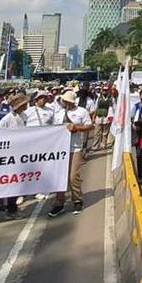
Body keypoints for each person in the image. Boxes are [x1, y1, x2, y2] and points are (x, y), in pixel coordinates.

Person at [48, 90, 94, 218]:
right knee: (59, 177)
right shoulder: (57, 113)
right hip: (60, 149)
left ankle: (77, 199)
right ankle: (59, 202)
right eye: (64, 101)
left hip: (75, 148)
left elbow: (90, 126)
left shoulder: (81, 112)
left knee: (73, 176)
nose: (66, 103)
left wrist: (77, 128)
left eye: (68, 101)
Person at [0, 93, 29, 228]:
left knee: (15, 185)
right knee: (0, 186)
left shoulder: (24, 117)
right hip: (6, 157)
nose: (27, 105)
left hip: (19, 156)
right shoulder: (6, 119)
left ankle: (12, 210)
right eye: (24, 103)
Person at [92, 85, 114, 151]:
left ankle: (103, 145)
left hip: (106, 117)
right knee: (97, 133)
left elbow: (113, 108)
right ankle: (95, 146)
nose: (104, 91)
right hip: (98, 117)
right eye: (103, 90)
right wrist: (94, 117)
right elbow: (96, 108)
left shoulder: (111, 98)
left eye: (106, 90)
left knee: (105, 133)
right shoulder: (99, 98)